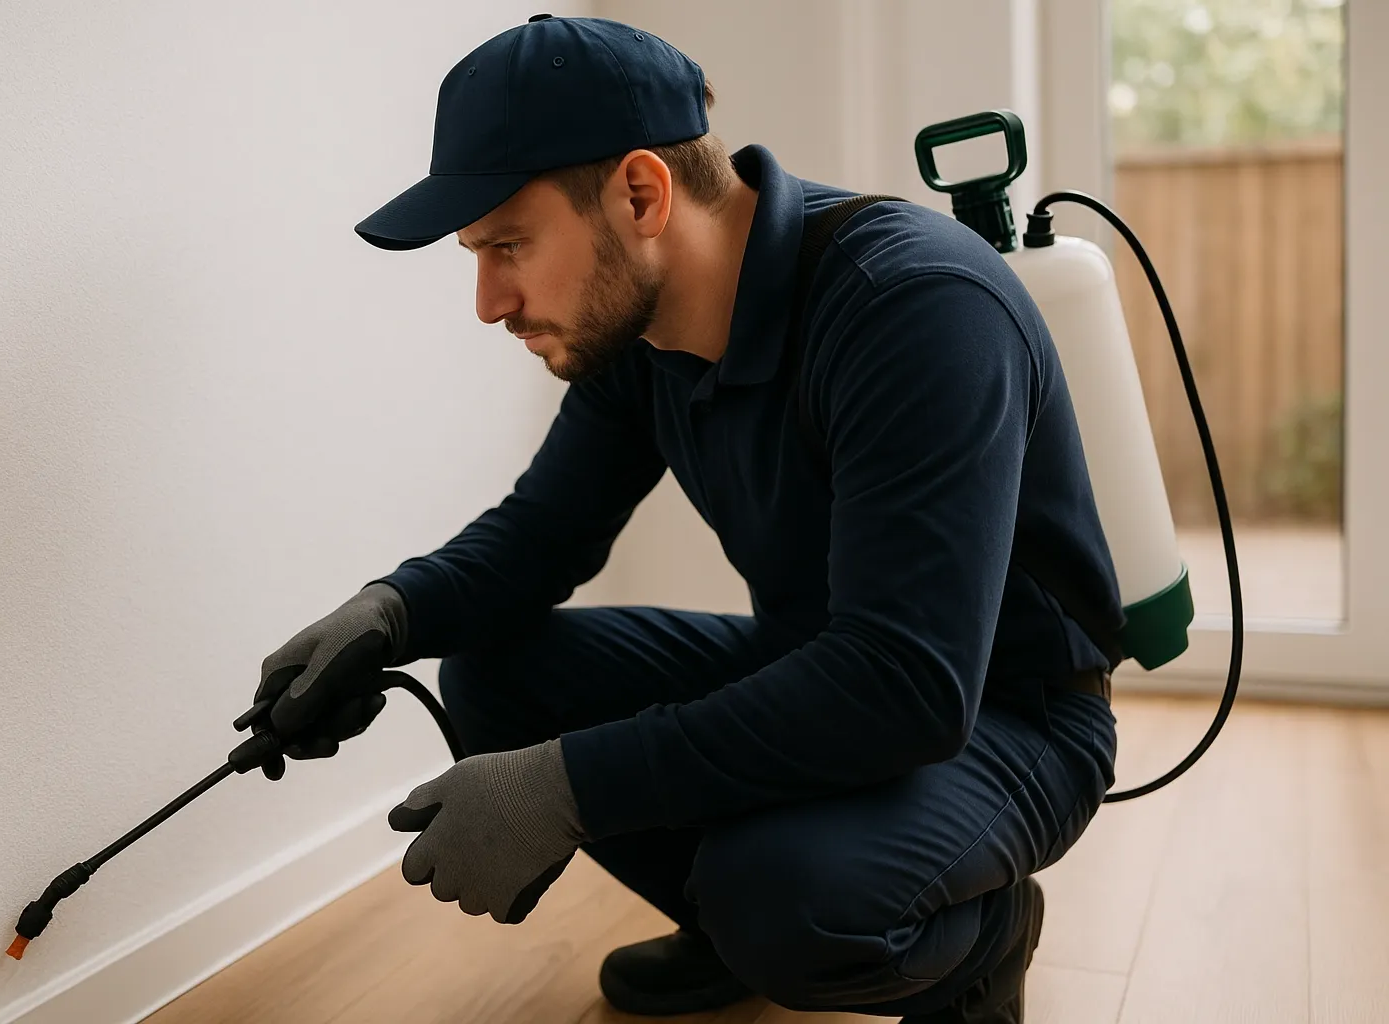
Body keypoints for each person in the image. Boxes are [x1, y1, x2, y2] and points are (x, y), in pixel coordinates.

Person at [246, 14, 1121, 1023]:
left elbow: (909, 685)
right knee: (493, 672)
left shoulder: (912, 306)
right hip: (829, 662)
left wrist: (567, 784)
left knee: (788, 899)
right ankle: (724, 921)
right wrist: (387, 613)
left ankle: (982, 935)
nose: (488, 301)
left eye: (508, 246)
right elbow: (541, 537)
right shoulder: (644, 336)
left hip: (1009, 717)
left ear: (640, 193)